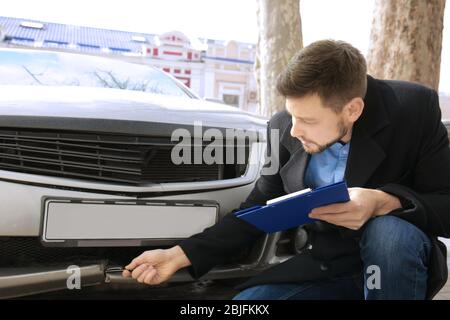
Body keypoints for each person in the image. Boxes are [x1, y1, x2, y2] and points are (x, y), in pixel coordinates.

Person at [122, 40, 450, 300]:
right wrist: (180, 255)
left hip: (397, 265)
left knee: (387, 233)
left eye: (307, 120)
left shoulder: (413, 109)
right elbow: (257, 210)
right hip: (327, 267)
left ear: (352, 109)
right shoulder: (281, 128)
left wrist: (384, 202)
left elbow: (446, 205)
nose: (294, 130)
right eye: (292, 115)